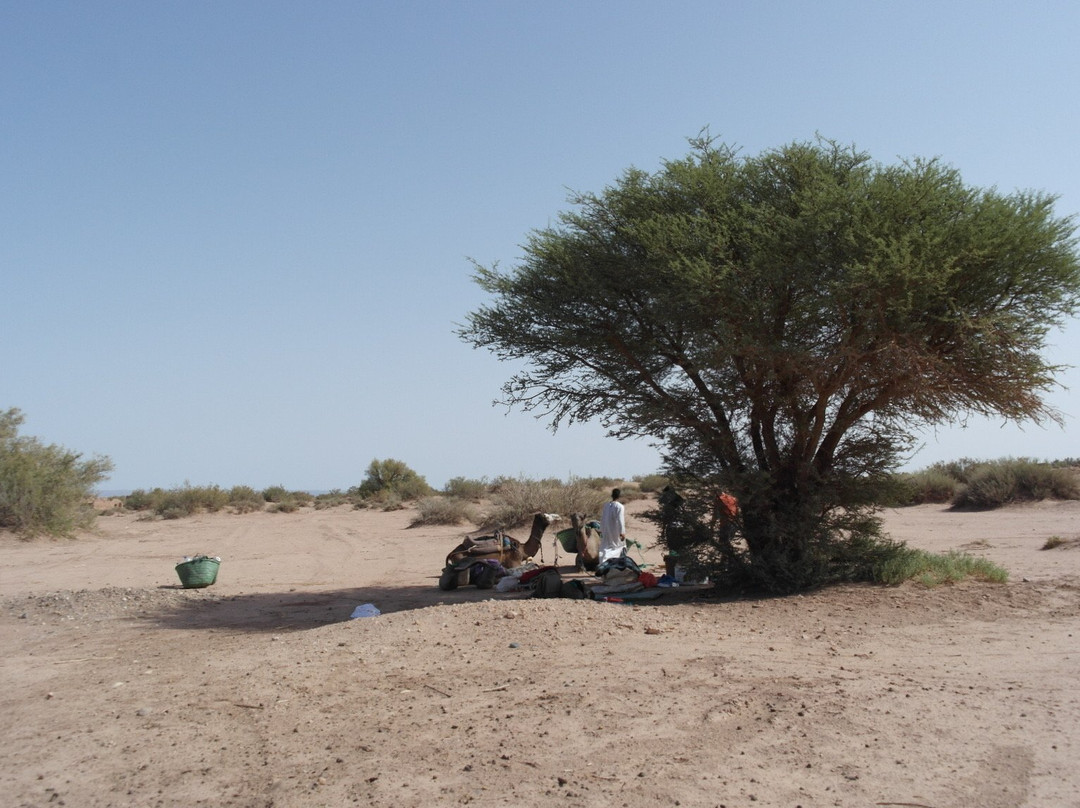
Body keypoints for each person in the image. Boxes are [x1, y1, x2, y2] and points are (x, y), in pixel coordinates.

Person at [599, 487, 627, 563]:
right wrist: (622, 532)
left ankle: (603, 563)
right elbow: (621, 520)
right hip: (615, 531)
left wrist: (601, 529)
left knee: (605, 547)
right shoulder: (620, 506)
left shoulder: (606, 505)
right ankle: (611, 565)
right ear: (619, 496)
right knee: (617, 547)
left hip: (606, 530)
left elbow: (603, 518)